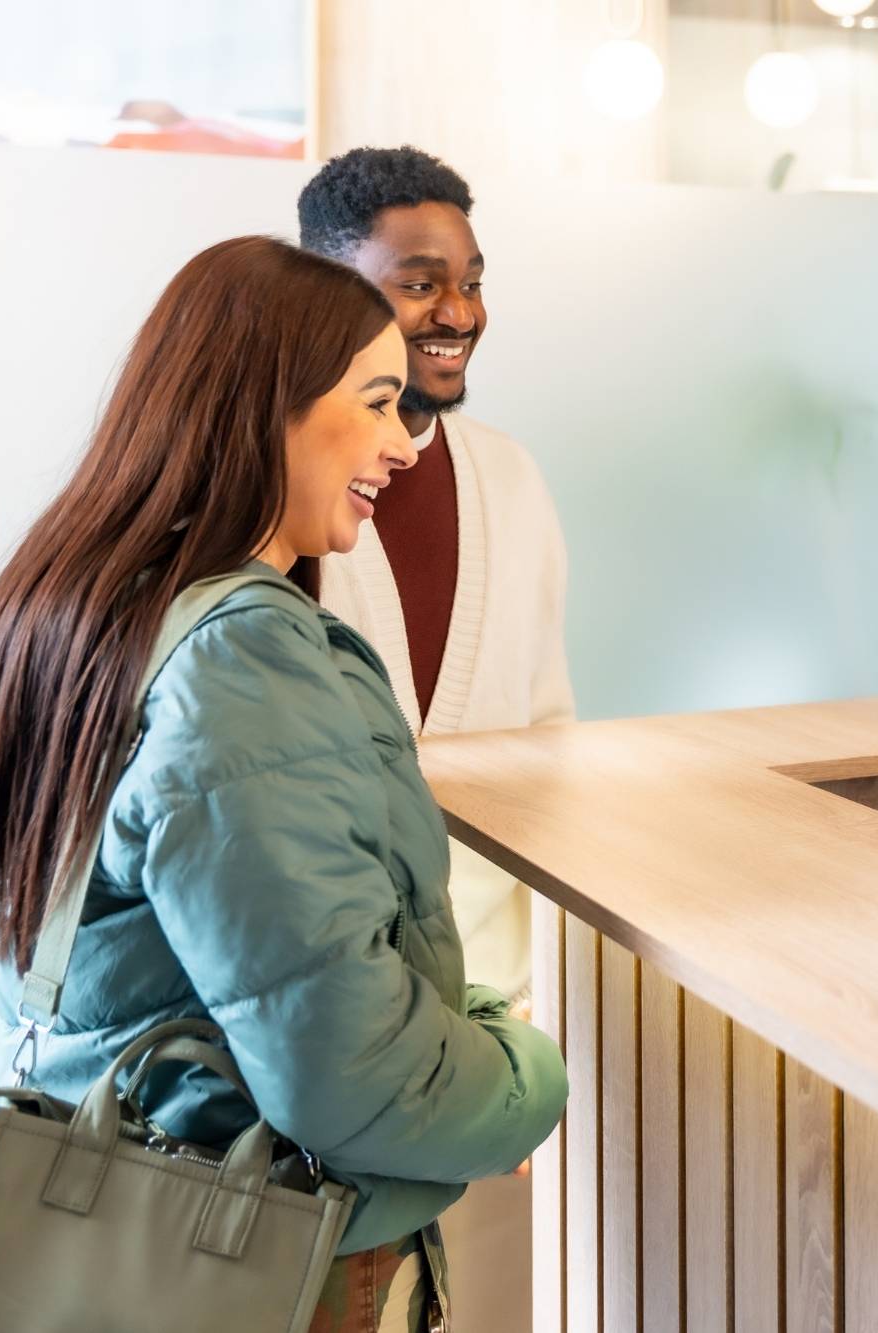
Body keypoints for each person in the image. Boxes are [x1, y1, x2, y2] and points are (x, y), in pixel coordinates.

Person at [0, 236, 568, 1331]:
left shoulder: (47, 626)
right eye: (372, 403)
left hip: (99, 1232)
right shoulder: (239, 659)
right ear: (266, 405)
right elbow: (358, 1082)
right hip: (276, 1264)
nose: (401, 447)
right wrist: (522, 1064)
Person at [297, 142, 573, 1325]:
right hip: (337, 1034)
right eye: (419, 280)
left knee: (484, 1302)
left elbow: (551, 741)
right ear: (326, 282)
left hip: (490, 1015)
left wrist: (523, 1013)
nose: (456, 311)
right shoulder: (282, 494)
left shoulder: (508, 480)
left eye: (470, 278)